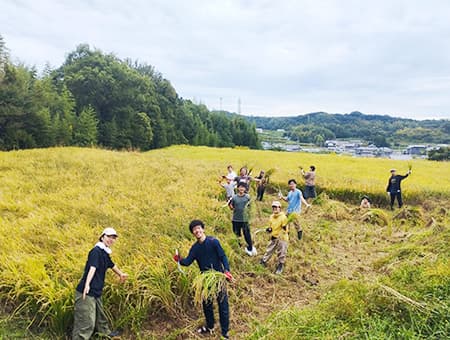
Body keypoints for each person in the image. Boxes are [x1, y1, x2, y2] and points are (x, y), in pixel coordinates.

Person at [173, 220, 233, 339]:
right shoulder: (195, 248)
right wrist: (179, 259)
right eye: (194, 230)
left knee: (223, 305)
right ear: (193, 233)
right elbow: (188, 261)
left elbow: (223, 257)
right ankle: (210, 327)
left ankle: (225, 331)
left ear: (203, 229)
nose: (197, 231)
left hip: (218, 277)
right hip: (205, 281)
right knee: (207, 305)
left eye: (198, 228)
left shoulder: (213, 242)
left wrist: (226, 270)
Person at [72, 227, 128, 340]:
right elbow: (92, 268)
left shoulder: (104, 252)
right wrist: (87, 284)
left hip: (96, 291)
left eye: (113, 238)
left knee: (100, 318)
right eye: (108, 237)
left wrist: (121, 274)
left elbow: (111, 265)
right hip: (86, 292)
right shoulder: (96, 252)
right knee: (87, 322)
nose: (111, 240)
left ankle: (105, 334)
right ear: (102, 237)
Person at [260, 201, 289, 274]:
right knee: (269, 249)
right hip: (274, 236)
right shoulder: (271, 217)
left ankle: (280, 265)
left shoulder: (283, 217)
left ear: (280, 208)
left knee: (282, 252)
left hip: (282, 238)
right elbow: (271, 227)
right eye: (274, 207)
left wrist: (285, 228)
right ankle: (263, 261)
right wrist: (269, 229)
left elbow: (286, 230)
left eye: (277, 207)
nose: (275, 208)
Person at [229, 182, 256, 256]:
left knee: (247, 234)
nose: (241, 189)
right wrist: (230, 206)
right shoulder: (234, 197)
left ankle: (250, 247)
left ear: (245, 189)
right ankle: (239, 247)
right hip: (235, 219)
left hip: (245, 220)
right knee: (237, 234)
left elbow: (251, 207)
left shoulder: (248, 197)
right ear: (237, 188)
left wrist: (249, 215)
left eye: (243, 187)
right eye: (240, 187)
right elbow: (232, 207)